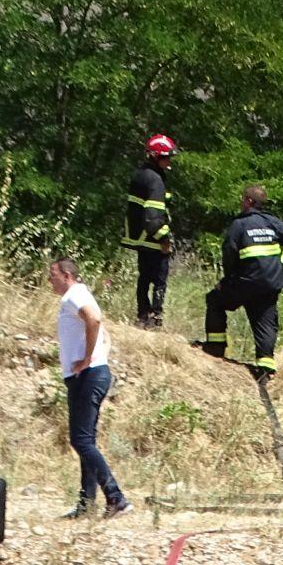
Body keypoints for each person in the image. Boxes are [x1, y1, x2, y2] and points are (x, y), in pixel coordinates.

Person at [49, 256, 129, 520]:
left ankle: (115, 497)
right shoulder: (81, 294)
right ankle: (86, 504)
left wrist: (86, 359)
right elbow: (105, 334)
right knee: (86, 441)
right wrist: (98, 356)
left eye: (53, 275)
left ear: (67, 276)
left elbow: (94, 321)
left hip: (88, 376)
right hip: (91, 373)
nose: (50, 280)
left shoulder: (73, 296)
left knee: (80, 440)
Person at [202, 185, 283, 379]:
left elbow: (229, 253)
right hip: (270, 283)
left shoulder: (239, 225)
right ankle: (265, 364)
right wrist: (282, 267)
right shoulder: (273, 223)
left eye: (243, 199)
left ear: (249, 202)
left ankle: (215, 348)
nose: (241, 202)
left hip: (245, 283)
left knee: (215, 300)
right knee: (265, 320)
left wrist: (227, 281)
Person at [121, 134, 178, 329]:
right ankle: (155, 318)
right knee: (159, 281)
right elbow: (153, 216)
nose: (169, 161)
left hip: (140, 239)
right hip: (153, 238)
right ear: (155, 156)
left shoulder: (140, 174)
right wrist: (164, 239)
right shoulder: (155, 180)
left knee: (143, 278)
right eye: (166, 157)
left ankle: (142, 315)